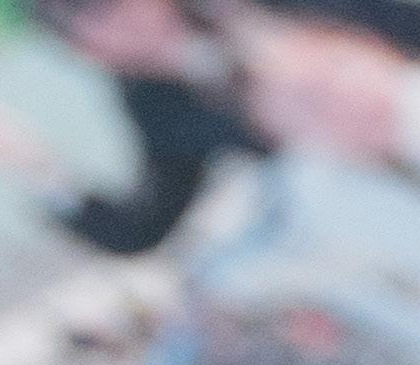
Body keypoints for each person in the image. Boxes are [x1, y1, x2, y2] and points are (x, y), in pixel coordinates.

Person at [40, 1, 420, 253]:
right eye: (95, 20)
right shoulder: (156, 108)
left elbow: (385, 17)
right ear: (87, 48)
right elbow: (142, 224)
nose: (124, 20)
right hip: (364, 179)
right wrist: (42, 171)